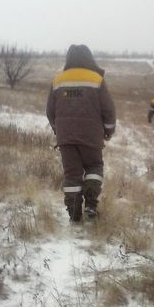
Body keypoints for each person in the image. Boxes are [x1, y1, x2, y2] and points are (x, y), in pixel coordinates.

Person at [46, 45, 116, 222]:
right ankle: (91, 205)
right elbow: (108, 109)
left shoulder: (57, 81)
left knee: (72, 174)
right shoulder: (96, 79)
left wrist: (58, 129)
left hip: (66, 138)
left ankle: (73, 213)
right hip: (91, 136)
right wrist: (108, 130)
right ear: (88, 58)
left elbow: (50, 111)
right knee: (94, 166)